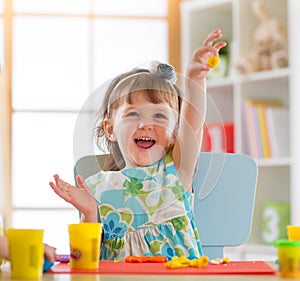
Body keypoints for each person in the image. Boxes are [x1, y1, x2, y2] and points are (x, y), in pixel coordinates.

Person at [49, 28, 226, 261]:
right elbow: (84, 260)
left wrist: (195, 78)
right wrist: (90, 212)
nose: (146, 124)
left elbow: (192, 125)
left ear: (174, 133)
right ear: (110, 129)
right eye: (133, 115)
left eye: (160, 116)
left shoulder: (176, 171)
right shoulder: (98, 188)